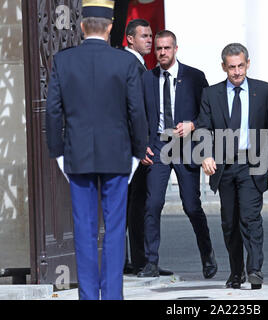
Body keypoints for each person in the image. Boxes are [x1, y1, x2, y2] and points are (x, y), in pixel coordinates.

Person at [45, 0, 148, 300]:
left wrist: (58, 153)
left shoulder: (63, 61)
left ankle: (89, 296)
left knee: (84, 230)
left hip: (77, 155)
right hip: (117, 156)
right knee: (115, 230)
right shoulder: (126, 62)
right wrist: (138, 153)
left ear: (81, 26)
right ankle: (112, 295)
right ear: (111, 27)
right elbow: (136, 112)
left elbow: (52, 112)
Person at [197, 43, 268, 289]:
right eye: (232, 67)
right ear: (223, 67)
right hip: (224, 165)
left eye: (241, 66)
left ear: (248, 64)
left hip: (252, 161)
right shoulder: (211, 94)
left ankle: (255, 269)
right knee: (230, 222)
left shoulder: (263, 90)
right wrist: (206, 155)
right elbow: (203, 127)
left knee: (250, 217)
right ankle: (237, 272)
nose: (237, 72)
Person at [138, 30, 217, 279]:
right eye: (158, 48)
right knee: (152, 204)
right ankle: (151, 262)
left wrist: (192, 125)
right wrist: (140, 146)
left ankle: (207, 255)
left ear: (176, 49)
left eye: (167, 48)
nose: (162, 52)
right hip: (159, 146)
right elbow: (136, 114)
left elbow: (208, 114)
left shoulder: (194, 77)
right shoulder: (147, 79)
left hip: (186, 146)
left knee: (192, 206)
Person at [123, 19, 173, 276]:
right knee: (137, 203)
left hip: (135, 148)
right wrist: (140, 146)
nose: (149, 40)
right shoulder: (131, 65)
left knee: (134, 203)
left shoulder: (138, 64)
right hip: (137, 149)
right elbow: (133, 110)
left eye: (150, 36)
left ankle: (133, 260)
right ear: (130, 39)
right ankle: (141, 261)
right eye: (144, 36)